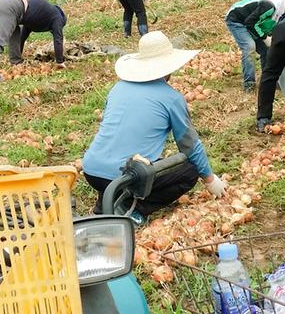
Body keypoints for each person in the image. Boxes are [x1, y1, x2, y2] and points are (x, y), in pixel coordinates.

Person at [81, 31, 227, 224]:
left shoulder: (118, 88)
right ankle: (134, 210)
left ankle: (105, 203)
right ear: (168, 67)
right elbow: (190, 146)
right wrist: (210, 179)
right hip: (125, 177)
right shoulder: (171, 98)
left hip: (91, 170)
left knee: (134, 158)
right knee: (189, 171)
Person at [225, 0, 285, 95]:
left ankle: (268, 81)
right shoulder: (270, 6)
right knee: (249, 47)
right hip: (237, 19)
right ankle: (249, 85)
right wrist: (265, 38)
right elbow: (250, 23)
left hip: (254, 20)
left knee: (267, 50)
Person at [0, 0, 66, 82]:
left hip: (5, 1)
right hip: (11, 5)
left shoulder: (40, 15)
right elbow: (58, 39)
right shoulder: (57, 17)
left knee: (16, 32)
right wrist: (60, 62)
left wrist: (19, 61)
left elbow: (22, 37)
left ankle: (16, 61)